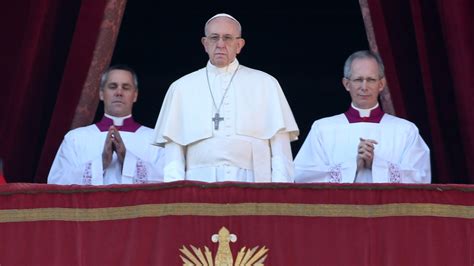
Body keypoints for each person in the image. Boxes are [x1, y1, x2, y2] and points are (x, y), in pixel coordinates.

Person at [153, 13, 299, 183]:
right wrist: (176, 195)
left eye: (227, 38)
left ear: (239, 45)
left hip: (255, 185)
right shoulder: (181, 88)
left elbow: (281, 152)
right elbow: (173, 156)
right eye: (214, 38)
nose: (220, 44)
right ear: (205, 44)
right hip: (198, 187)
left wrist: (279, 194)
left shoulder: (266, 84)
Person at [294, 50, 431, 183]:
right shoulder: (323, 129)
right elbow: (302, 176)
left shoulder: (405, 130)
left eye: (371, 80)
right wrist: (353, 165)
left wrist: (376, 164)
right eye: (358, 80)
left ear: (381, 84)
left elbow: (420, 177)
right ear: (347, 84)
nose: (364, 87)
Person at [48, 65, 164, 185]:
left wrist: (128, 160)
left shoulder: (154, 139)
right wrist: (101, 163)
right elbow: (56, 182)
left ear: (135, 95)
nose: (119, 92)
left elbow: (169, 182)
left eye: (126, 87)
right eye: (112, 86)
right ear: (101, 93)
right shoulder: (75, 138)